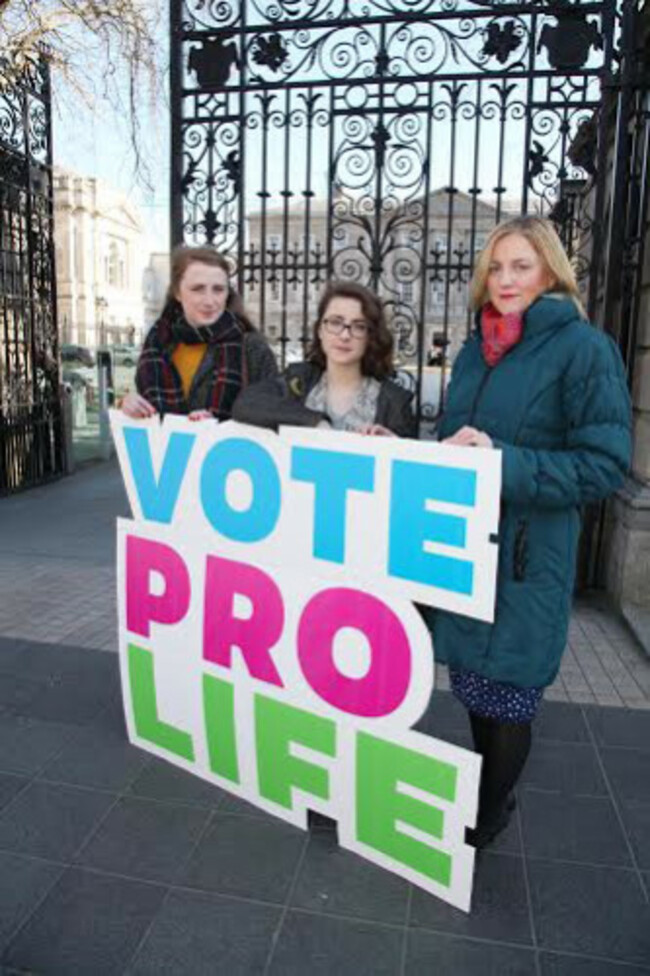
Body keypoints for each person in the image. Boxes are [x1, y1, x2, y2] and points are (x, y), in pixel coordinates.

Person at [430, 216, 631, 848]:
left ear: (549, 270)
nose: (506, 279)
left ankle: (487, 817)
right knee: (473, 686)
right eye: (496, 267)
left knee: (509, 698)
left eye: (521, 265)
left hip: (525, 558)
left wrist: (501, 462)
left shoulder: (584, 349)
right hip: (464, 551)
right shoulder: (474, 348)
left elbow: (603, 465)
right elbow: (456, 443)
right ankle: (488, 796)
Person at [232, 280, 416, 437]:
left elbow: (412, 467)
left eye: (359, 326)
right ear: (320, 330)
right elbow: (246, 404)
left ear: (371, 337)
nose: (345, 335)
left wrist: (395, 443)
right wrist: (314, 421)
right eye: (335, 322)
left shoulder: (394, 402)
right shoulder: (299, 380)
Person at [121, 246, 277, 421]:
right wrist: (130, 404)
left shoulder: (251, 346)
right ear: (177, 293)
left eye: (218, 289)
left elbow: (273, 414)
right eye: (198, 289)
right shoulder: (158, 342)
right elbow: (145, 409)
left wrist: (220, 424)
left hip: (228, 448)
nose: (209, 301)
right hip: (165, 448)